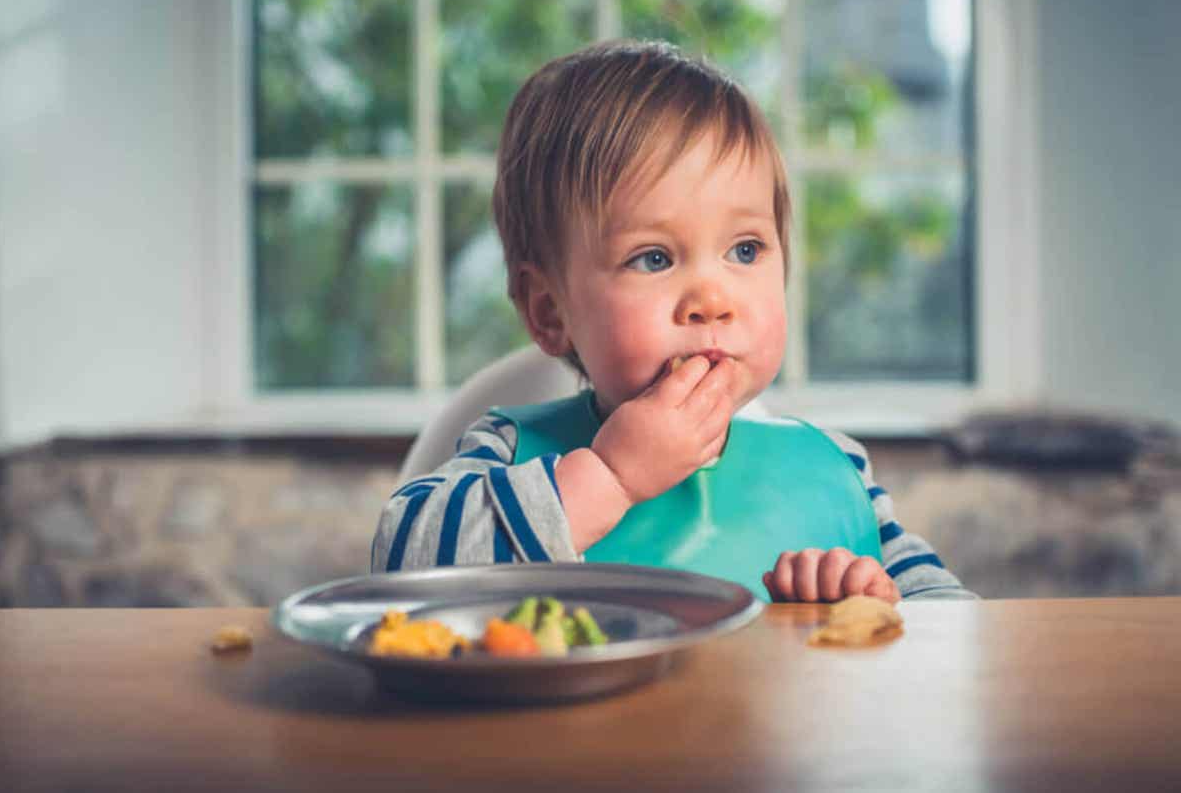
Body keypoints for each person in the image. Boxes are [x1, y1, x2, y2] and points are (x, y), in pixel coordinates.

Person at [372, 40, 974, 602]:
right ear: (550, 311)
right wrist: (609, 478)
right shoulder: (508, 453)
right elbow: (400, 569)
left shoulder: (834, 471)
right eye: (654, 258)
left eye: (745, 250)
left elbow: (956, 628)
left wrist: (876, 603)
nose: (711, 300)